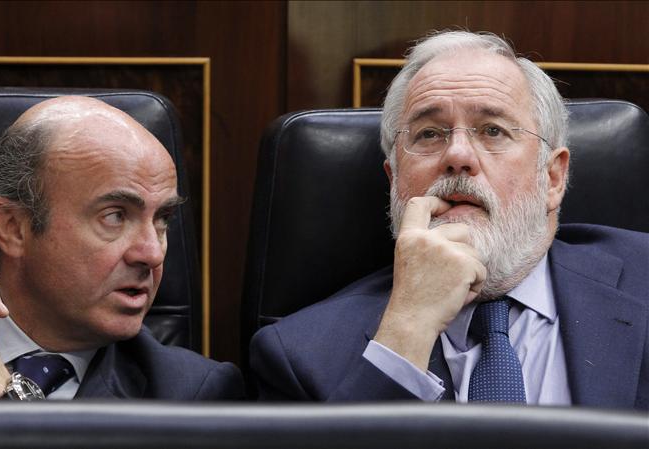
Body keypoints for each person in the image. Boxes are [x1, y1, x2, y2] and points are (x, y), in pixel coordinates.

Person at [250, 30, 648, 409]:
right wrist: (407, 329)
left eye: (492, 130)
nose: (457, 155)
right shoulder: (299, 356)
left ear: (553, 178)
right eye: (429, 134)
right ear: (395, 180)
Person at [0, 96, 243, 401]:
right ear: (13, 227)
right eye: (115, 216)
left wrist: (1, 390)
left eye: (162, 220)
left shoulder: (192, 393)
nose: (152, 254)